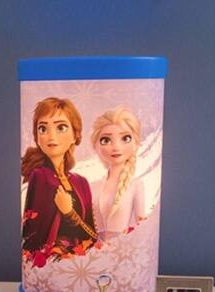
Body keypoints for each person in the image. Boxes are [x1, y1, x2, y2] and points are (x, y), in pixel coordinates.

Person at [21, 97, 97, 267]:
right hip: (50, 264)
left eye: (61, 127)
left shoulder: (81, 182)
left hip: (81, 263)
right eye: (43, 128)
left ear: (75, 135)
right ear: (37, 137)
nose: (51, 136)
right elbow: (32, 234)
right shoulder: (39, 176)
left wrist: (69, 212)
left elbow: (92, 236)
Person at [90, 106, 146, 240]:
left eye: (125, 138)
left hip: (124, 248)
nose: (116, 147)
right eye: (106, 140)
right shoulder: (93, 186)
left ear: (136, 143)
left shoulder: (136, 185)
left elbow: (142, 227)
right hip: (94, 249)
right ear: (96, 146)